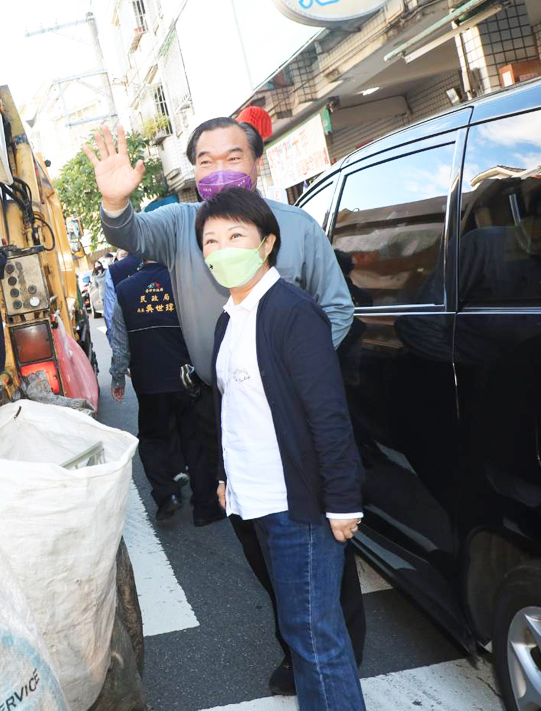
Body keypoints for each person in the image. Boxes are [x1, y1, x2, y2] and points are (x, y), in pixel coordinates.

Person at [84, 118, 363, 695]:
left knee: (316, 551)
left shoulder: (296, 230)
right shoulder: (185, 224)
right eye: (204, 160)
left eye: (231, 156)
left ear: (257, 162)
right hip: (221, 404)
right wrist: (115, 204)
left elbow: (337, 310)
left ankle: (332, 657)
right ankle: (303, 648)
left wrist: (291, 368)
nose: (218, 170)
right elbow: (129, 232)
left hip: (291, 404)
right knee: (260, 544)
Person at [199, 188, 366, 711]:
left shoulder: (292, 311)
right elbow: (234, 410)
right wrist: (228, 475)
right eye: (211, 241)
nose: (222, 249)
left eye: (235, 236)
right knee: (302, 631)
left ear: (266, 243)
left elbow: (328, 413)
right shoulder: (232, 316)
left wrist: (342, 498)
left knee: (315, 638)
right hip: (258, 496)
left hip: (301, 503)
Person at [110, 260, 224, 524]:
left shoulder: (125, 290)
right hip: (187, 377)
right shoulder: (182, 282)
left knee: (153, 440)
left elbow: (120, 344)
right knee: (194, 441)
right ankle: (205, 508)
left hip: (149, 382)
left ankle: (167, 494)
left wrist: (118, 378)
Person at [102, 250, 140, 338]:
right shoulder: (167, 264)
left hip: (131, 341)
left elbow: (110, 316)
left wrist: (116, 345)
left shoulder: (114, 271)